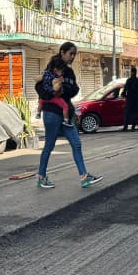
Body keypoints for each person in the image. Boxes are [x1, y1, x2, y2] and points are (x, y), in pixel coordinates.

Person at [35, 41, 103, 189]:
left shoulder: (70, 72)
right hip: (52, 113)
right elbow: (39, 87)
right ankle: (41, 177)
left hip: (66, 113)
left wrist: (64, 90)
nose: (73, 57)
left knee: (76, 144)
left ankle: (84, 177)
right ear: (62, 52)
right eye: (71, 53)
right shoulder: (51, 69)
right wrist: (52, 93)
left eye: (74, 54)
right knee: (49, 145)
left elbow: (75, 89)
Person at [44, 56, 73, 125]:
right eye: (61, 71)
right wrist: (55, 91)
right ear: (55, 69)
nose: (62, 73)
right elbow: (51, 88)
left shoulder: (47, 74)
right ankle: (66, 121)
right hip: (53, 98)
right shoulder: (53, 77)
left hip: (47, 100)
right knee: (65, 106)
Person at [122, 66, 138, 131]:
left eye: (132, 72)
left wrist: (124, 95)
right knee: (134, 114)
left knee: (127, 113)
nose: (132, 73)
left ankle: (126, 127)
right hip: (135, 99)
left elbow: (125, 89)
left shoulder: (129, 80)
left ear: (131, 72)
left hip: (130, 99)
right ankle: (132, 127)